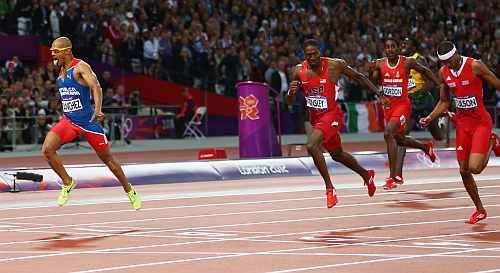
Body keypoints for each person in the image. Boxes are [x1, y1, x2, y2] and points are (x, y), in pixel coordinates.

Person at [42, 37, 141, 210]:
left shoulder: (81, 67)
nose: (52, 54)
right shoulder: (60, 71)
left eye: (55, 51)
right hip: (69, 121)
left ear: (66, 51)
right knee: (47, 149)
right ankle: (68, 182)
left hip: (89, 122)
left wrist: (98, 109)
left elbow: (96, 86)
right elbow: (69, 95)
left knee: (108, 160)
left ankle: (129, 189)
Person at [286, 39, 381, 208]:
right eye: (308, 55)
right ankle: (367, 175)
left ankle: (330, 189)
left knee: (311, 145)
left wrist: (379, 94)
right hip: (316, 119)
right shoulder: (299, 71)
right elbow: (289, 101)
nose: (312, 57)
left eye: (315, 53)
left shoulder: (335, 65)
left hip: (332, 115)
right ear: (304, 56)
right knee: (337, 155)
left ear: (320, 52)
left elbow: (358, 77)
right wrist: (291, 94)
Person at [420, 41, 500, 224]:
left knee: (475, 168)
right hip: (462, 124)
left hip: (480, 122)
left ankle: (492, 141)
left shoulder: (475, 65)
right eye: (446, 62)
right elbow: (444, 101)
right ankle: (480, 209)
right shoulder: (443, 73)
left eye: (452, 60)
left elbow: (497, 83)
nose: (451, 64)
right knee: (463, 169)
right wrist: (430, 117)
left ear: (457, 53)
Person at [370, 38, 439, 190]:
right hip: (389, 107)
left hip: (403, 105)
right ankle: (425, 147)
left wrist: (439, 84)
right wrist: (372, 71)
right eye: (387, 47)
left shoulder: (407, 62)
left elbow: (425, 71)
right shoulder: (380, 63)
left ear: (397, 49)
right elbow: (373, 81)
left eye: (393, 46)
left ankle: (393, 177)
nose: (390, 49)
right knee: (400, 140)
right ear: (384, 49)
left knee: (389, 133)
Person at [393, 37, 447, 184]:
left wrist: (417, 92)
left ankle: (442, 123)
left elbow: (430, 82)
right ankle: (397, 175)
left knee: (438, 136)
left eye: (406, 43)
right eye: (402, 43)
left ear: (414, 47)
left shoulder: (419, 59)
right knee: (402, 136)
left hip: (424, 101)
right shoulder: (400, 62)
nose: (403, 45)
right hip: (410, 104)